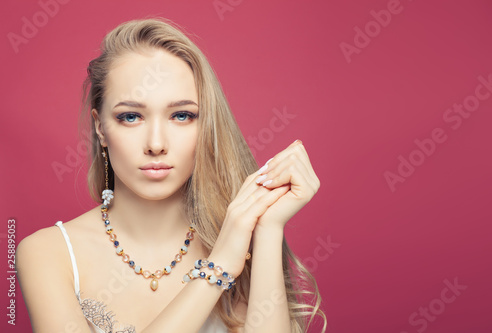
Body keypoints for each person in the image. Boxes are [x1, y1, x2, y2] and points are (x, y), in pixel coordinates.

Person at [16, 18, 327, 333]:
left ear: (204, 124)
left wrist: (268, 228)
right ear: (101, 128)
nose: (156, 144)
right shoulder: (48, 253)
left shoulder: (239, 237)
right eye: (131, 116)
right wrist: (219, 266)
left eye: (181, 115)